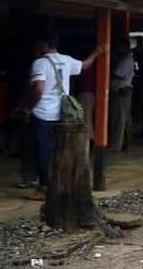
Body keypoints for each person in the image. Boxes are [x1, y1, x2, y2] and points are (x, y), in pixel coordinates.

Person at [30, 35, 105, 191]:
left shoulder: (40, 63)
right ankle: (59, 180)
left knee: (43, 149)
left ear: (44, 45)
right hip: (62, 113)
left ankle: (45, 183)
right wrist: (97, 53)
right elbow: (84, 66)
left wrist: (30, 107)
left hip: (42, 112)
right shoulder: (67, 59)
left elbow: (38, 89)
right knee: (60, 148)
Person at [108, 39, 135, 151]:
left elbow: (117, 74)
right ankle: (126, 142)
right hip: (125, 90)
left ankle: (116, 145)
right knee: (125, 118)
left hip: (122, 90)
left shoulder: (125, 60)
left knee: (119, 118)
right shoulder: (128, 59)